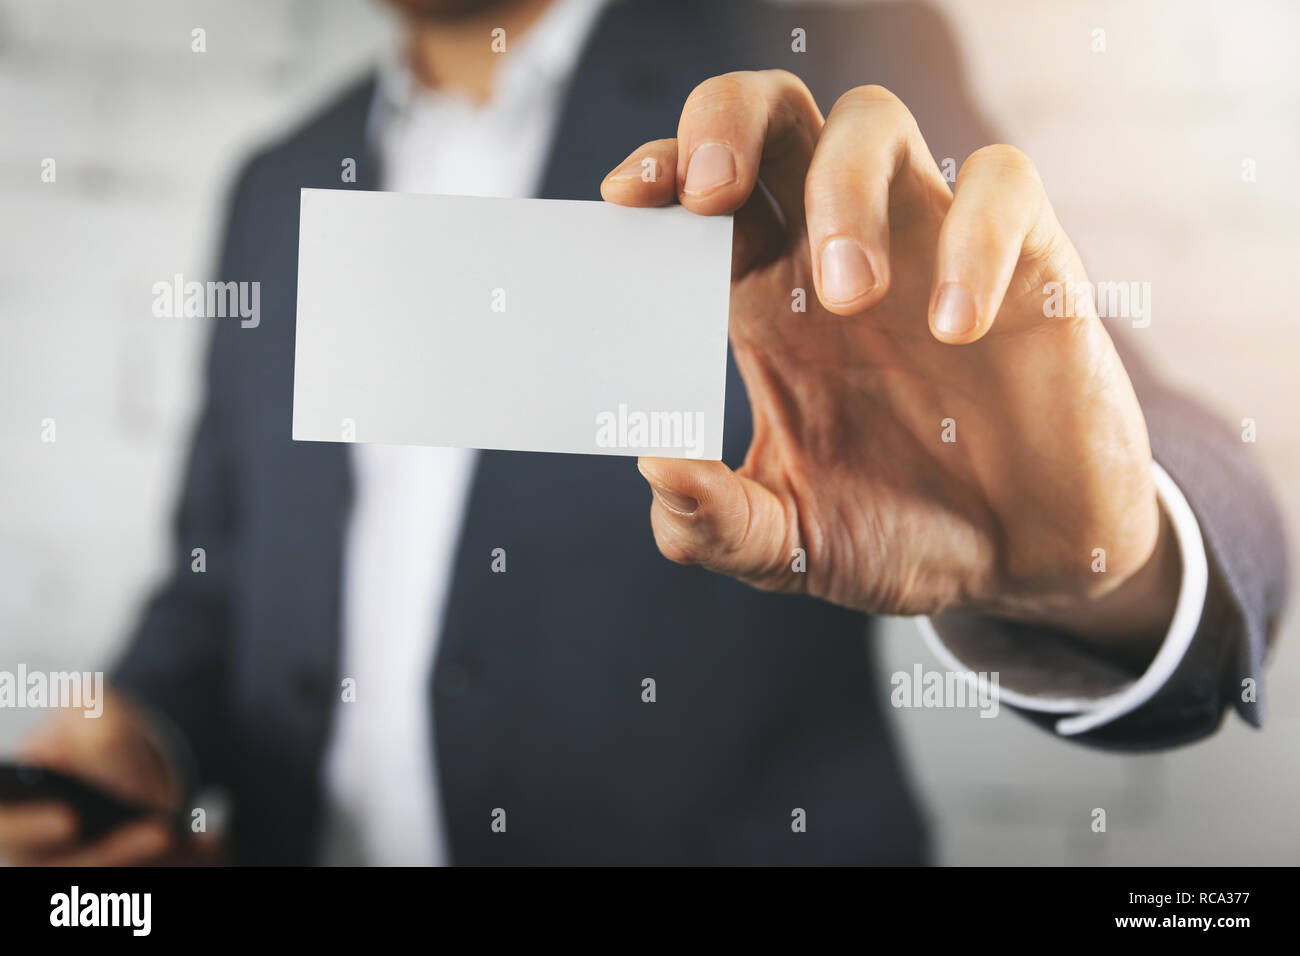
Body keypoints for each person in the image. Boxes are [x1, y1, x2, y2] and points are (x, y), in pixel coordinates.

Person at [0, 0, 1287, 866]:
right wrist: (134, 734)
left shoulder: (811, 50)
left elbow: (1129, 437)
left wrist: (1102, 567)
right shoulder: (278, 181)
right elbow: (217, 582)